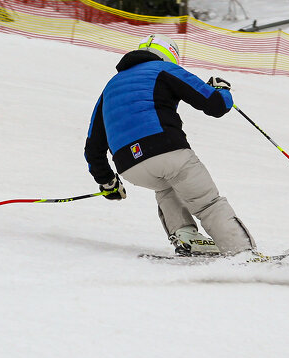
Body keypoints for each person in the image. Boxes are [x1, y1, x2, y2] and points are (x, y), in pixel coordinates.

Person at [84, 33, 259, 258]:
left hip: (129, 166)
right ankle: (242, 252)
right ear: (171, 56)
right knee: (207, 203)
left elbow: (93, 147)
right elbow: (214, 105)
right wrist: (222, 91)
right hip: (167, 150)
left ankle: (186, 236)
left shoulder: (110, 87)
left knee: (166, 186)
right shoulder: (163, 69)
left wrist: (108, 182)